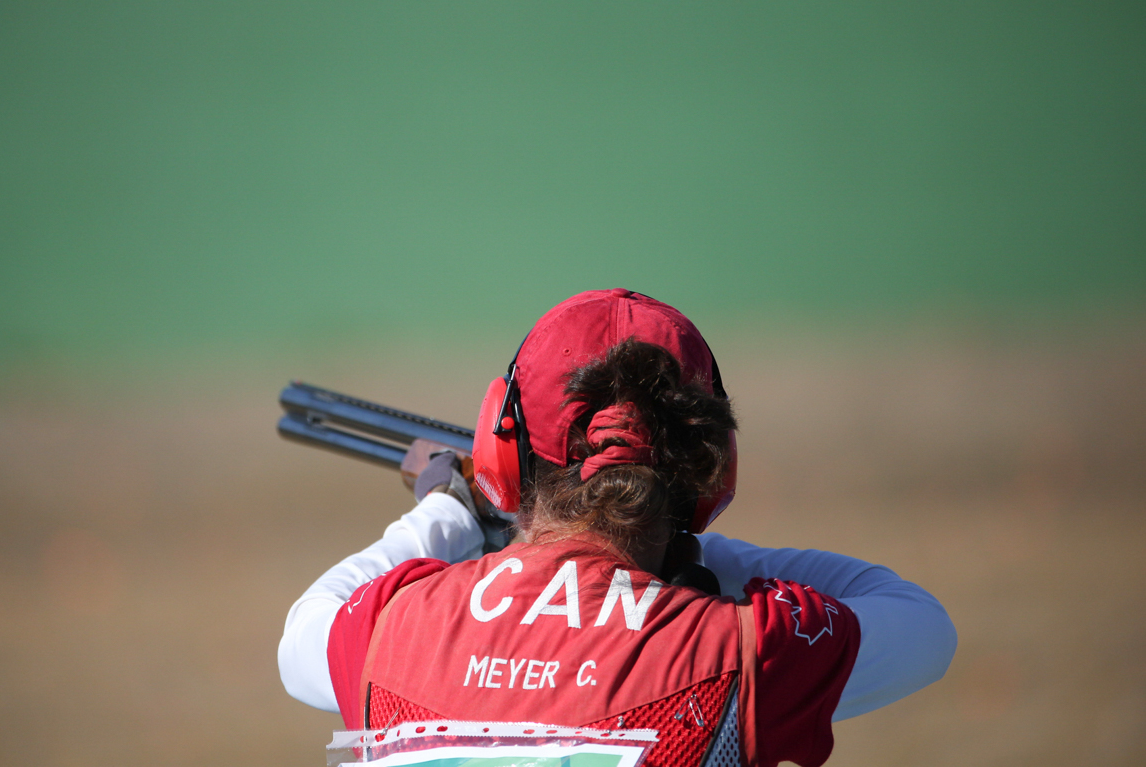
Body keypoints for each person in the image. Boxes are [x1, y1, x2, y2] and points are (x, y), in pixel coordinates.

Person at [279, 289, 956, 767]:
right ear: (710, 472)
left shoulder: (388, 630)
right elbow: (922, 626)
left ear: (502, 452)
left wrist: (450, 511)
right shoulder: (744, 646)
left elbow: (305, 631)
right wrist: (693, 569)